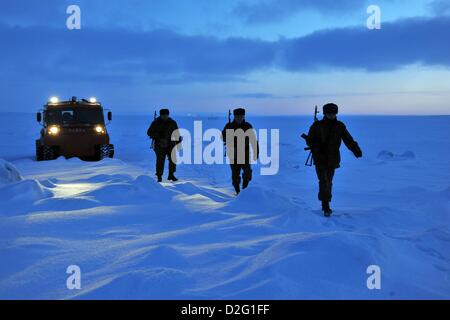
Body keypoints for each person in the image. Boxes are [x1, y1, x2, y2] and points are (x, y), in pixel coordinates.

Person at [306, 103, 362, 217]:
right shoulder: (317, 125)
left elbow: (348, 139)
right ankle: (325, 206)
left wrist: (356, 150)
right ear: (325, 113)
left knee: (329, 181)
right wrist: (315, 146)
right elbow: (309, 140)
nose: (331, 115)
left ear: (336, 113)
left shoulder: (340, 126)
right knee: (324, 181)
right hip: (320, 158)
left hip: (333, 159)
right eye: (329, 113)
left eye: (333, 113)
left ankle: (325, 203)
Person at [222, 108, 258, 195]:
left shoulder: (248, 126)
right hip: (232, 153)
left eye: (241, 116)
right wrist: (227, 135)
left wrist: (256, 151)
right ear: (234, 116)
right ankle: (238, 192)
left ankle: (244, 191)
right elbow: (223, 138)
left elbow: (253, 140)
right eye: (237, 116)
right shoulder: (229, 125)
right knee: (235, 175)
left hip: (244, 153)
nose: (239, 118)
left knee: (247, 172)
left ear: (244, 116)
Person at [147, 109, 181, 182]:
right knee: (160, 161)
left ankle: (171, 175)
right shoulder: (156, 122)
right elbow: (149, 132)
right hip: (159, 144)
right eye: (163, 115)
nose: (165, 116)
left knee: (173, 160)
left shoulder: (172, 122)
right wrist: (157, 136)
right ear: (160, 115)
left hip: (171, 144)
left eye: (166, 115)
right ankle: (159, 176)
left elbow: (176, 133)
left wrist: (178, 142)